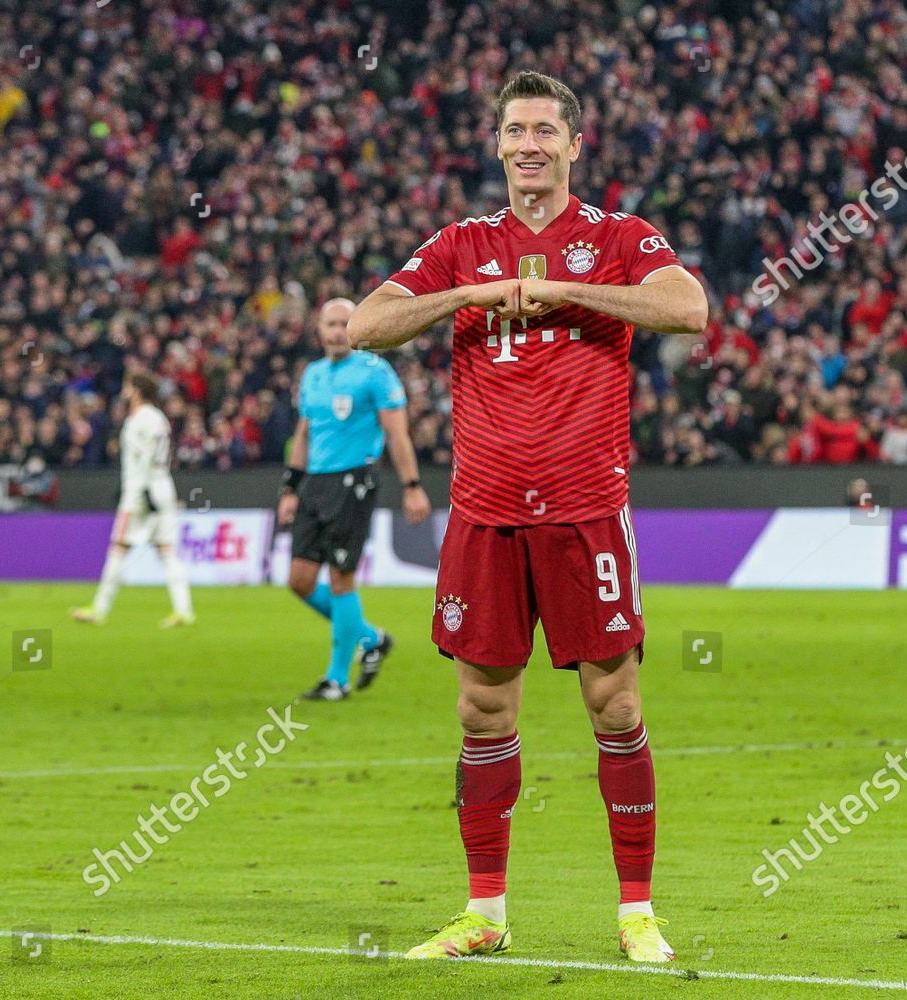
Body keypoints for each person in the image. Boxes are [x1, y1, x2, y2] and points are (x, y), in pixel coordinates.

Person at [347, 70, 707, 962]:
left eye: (547, 129)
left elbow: (689, 309)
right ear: (498, 144)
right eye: (516, 130)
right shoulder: (463, 243)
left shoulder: (618, 236)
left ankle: (636, 915)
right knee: (481, 711)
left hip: (588, 511)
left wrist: (582, 295)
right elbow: (366, 324)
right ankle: (486, 914)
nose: (531, 144)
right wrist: (465, 297)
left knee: (613, 703)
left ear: (575, 145)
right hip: (485, 514)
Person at [277, 298, 431, 700]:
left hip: (354, 480)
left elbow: (397, 435)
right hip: (315, 483)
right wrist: (291, 488)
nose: (336, 331)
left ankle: (336, 680)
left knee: (341, 578)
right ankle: (370, 637)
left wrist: (411, 486)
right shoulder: (312, 374)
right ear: (319, 329)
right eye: (330, 323)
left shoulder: (375, 373)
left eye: (344, 323)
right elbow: (304, 434)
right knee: (299, 580)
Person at [72, 371, 194, 628]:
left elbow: (146, 457)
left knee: (118, 547)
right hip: (163, 487)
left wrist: (141, 493)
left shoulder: (139, 420)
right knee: (167, 550)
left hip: (141, 492)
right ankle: (184, 610)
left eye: (128, 386)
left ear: (137, 391)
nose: (125, 390)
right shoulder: (159, 418)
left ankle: (99, 609)